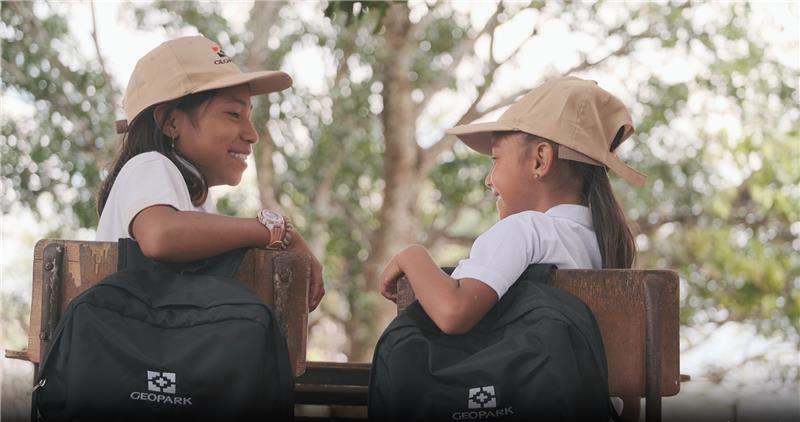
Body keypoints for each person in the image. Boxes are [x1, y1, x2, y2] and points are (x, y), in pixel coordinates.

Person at [378, 76, 646, 419]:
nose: (488, 179)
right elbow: (630, 388)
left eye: (495, 159)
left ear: (540, 160)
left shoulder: (525, 230)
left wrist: (411, 255)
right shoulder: (605, 244)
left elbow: (453, 313)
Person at [96, 35, 324, 311]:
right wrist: (271, 232)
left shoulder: (196, 199)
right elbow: (160, 235)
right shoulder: (149, 164)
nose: (252, 134)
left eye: (249, 117)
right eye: (233, 114)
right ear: (171, 123)